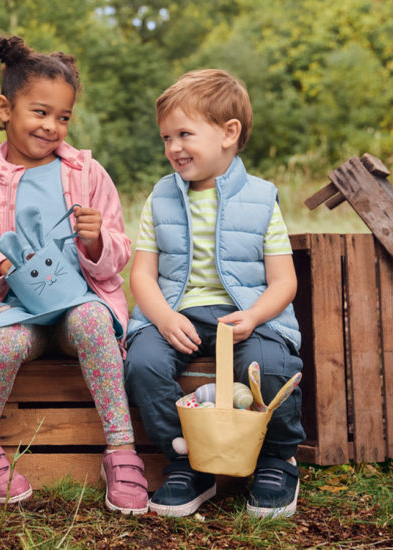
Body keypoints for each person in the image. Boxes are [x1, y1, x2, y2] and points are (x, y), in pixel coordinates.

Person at [0, 35, 147, 514]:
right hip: (19, 309)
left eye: (63, 117)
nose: (52, 126)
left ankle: (122, 449)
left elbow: (120, 252)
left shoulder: (88, 174)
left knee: (93, 323)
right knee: (2, 345)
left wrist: (96, 240)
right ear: (5, 109)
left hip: (79, 302)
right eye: (40, 112)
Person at [124, 69, 304, 519]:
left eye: (184, 134)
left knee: (268, 365)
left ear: (229, 133)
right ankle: (186, 462)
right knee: (143, 364)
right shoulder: (160, 197)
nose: (173, 147)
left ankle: (278, 458)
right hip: (176, 314)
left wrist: (255, 317)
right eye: (166, 137)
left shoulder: (261, 198)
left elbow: (284, 281)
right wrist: (163, 318)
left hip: (247, 315)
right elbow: (142, 275)